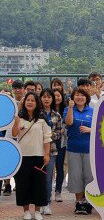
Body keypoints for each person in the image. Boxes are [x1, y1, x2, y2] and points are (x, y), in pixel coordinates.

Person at [12, 92, 51, 220]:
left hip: (39, 157)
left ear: (37, 103)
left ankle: (38, 211)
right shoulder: (20, 117)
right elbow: (13, 133)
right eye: (27, 100)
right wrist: (17, 121)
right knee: (23, 184)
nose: (30, 102)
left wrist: (46, 154)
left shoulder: (42, 119)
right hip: (22, 157)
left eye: (32, 100)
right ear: (24, 102)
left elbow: (47, 138)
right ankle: (26, 211)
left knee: (39, 185)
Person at [63, 87, 93, 215]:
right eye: (77, 95)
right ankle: (79, 202)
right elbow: (68, 123)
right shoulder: (68, 109)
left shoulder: (93, 110)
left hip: (90, 150)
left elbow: (100, 128)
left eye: (82, 95)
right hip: (73, 149)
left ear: (87, 98)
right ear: (73, 97)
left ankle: (88, 201)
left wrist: (90, 130)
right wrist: (70, 108)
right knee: (75, 176)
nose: (80, 97)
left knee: (89, 176)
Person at [39, 88, 61, 215]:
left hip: (51, 151)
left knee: (47, 178)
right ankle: (39, 202)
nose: (46, 99)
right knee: (37, 178)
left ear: (52, 99)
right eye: (44, 96)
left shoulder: (56, 115)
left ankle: (46, 202)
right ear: (40, 98)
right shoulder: (36, 113)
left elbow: (58, 134)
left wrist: (46, 136)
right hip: (36, 150)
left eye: (49, 97)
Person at [53, 88, 67, 202]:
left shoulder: (66, 109)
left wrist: (64, 130)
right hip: (49, 142)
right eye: (54, 95)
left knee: (59, 167)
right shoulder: (47, 110)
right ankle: (46, 192)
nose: (57, 97)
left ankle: (58, 191)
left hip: (61, 143)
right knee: (48, 168)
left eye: (59, 95)